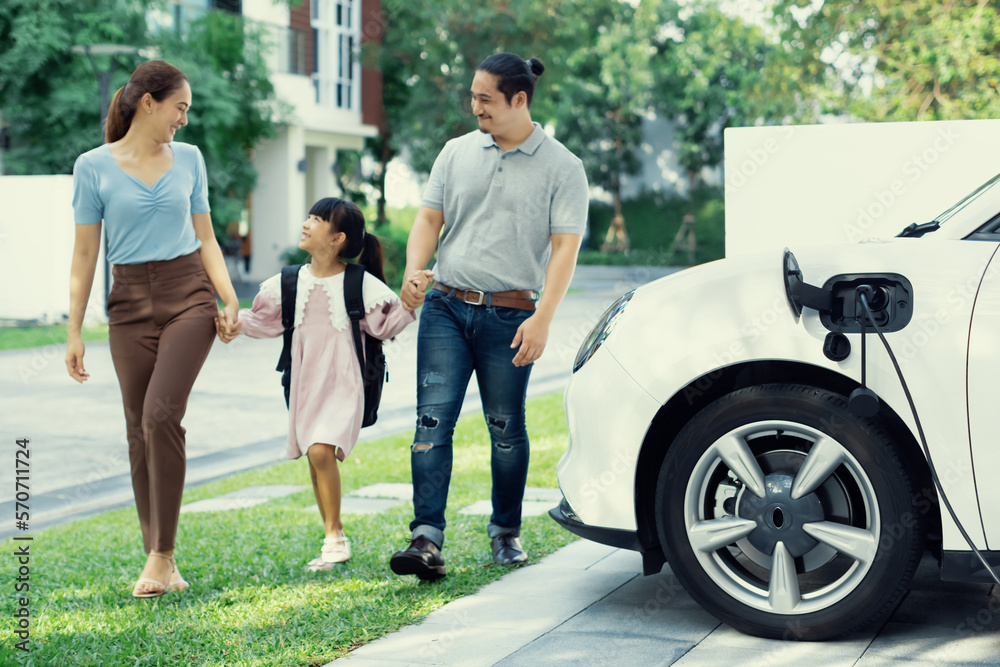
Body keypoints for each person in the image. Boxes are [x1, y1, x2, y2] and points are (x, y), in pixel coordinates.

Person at [389, 53, 589, 580]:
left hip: (512, 314)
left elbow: (565, 249)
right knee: (431, 422)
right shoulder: (456, 152)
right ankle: (426, 538)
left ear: (518, 100)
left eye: (485, 98)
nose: (473, 106)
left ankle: (506, 532)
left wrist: (544, 317)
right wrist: (414, 270)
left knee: (505, 428)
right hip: (446, 307)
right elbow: (429, 217)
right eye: (473, 95)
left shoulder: (563, 167)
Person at [66, 60, 242, 598]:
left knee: (161, 414)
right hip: (126, 305)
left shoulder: (189, 159)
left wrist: (229, 296)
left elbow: (207, 237)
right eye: (179, 108)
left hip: (187, 294)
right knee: (138, 428)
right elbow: (85, 255)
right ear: (149, 103)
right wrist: (74, 331)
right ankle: (160, 558)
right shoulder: (92, 167)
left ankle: (161, 555)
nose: (184, 120)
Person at [234, 198, 425, 570]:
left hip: (346, 381)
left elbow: (385, 326)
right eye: (309, 216)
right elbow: (263, 322)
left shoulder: (359, 283)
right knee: (314, 453)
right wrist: (229, 321)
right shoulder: (288, 282)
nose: (307, 223)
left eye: (317, 220)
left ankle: (335, 536)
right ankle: (330, 537)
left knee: (321, 451)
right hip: (303, 382)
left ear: (337, 238)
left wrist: (410, 300)